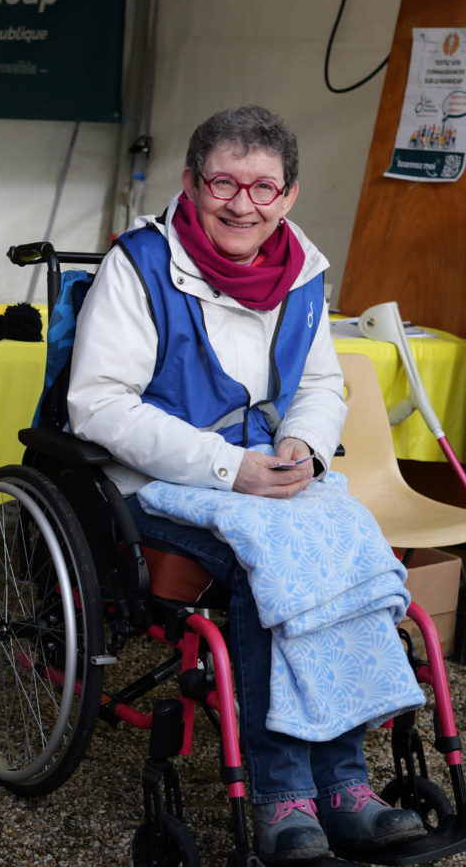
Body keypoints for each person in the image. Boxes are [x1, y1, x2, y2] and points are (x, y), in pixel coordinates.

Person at [66, 106, 426, 864]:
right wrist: (230, 467)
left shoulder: (302, 269)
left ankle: (345, 786)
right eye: (223, 183)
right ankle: (283, 797)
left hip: (268, 471)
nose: (243, 204)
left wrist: (302, 445)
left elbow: (319, 384)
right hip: (159, 479)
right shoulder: (140, 265)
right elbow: (96, 404)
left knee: (350, 541)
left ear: (288, 194)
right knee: (273, 566)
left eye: (263, 187)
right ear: (191, 183)